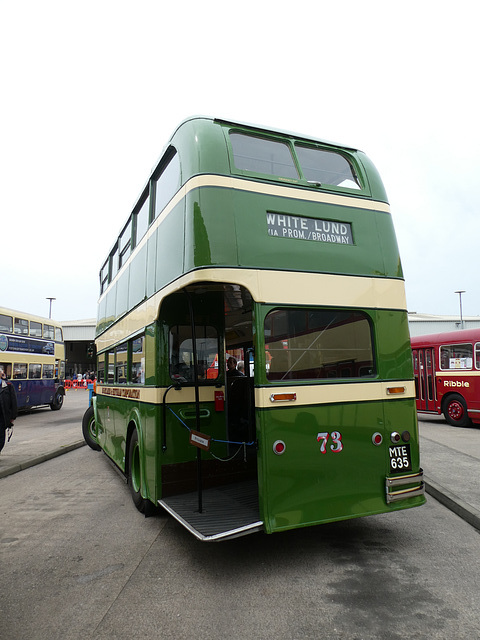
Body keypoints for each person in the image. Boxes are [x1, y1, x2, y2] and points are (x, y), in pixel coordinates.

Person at [0, 369, 17, 453]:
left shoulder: (8, 385)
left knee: (1, 437)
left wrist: (13, 416)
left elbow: (13, 401)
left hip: (2, 417)